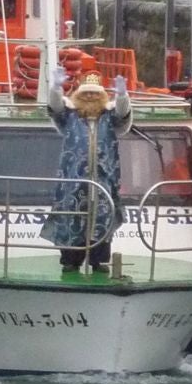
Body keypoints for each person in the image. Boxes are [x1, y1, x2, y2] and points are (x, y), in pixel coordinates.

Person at [42, 71, 132, 273]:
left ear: (102, 96)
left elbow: (123, 114)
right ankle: (70, 260)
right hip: (73, 180)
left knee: (102, 218)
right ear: (78, 96)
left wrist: (122, 96)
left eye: (95, 94)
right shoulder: (69, 117)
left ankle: (99, 260)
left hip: (103, 179)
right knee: (71, 218)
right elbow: (55, 108)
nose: (90, 97)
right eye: (86, 94)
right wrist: (56, 89)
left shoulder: (110, 118)